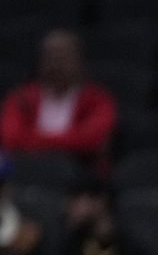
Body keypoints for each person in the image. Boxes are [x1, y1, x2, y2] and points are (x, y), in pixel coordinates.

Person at [0, 30, 117, 167]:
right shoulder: (21, 98)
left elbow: (92, 139)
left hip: (80, 171)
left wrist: (33, 139)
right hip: (26, 168)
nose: (56, 64)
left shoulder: (98, 99)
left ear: (79, 60)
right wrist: (71, 142)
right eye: (50, 57)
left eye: (62, 57)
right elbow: (10, 139)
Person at [50, 180, 142, 255]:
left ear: (100, 201)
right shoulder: (69, 247)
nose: (68, 208)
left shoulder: (131, 247)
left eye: (76, 200)